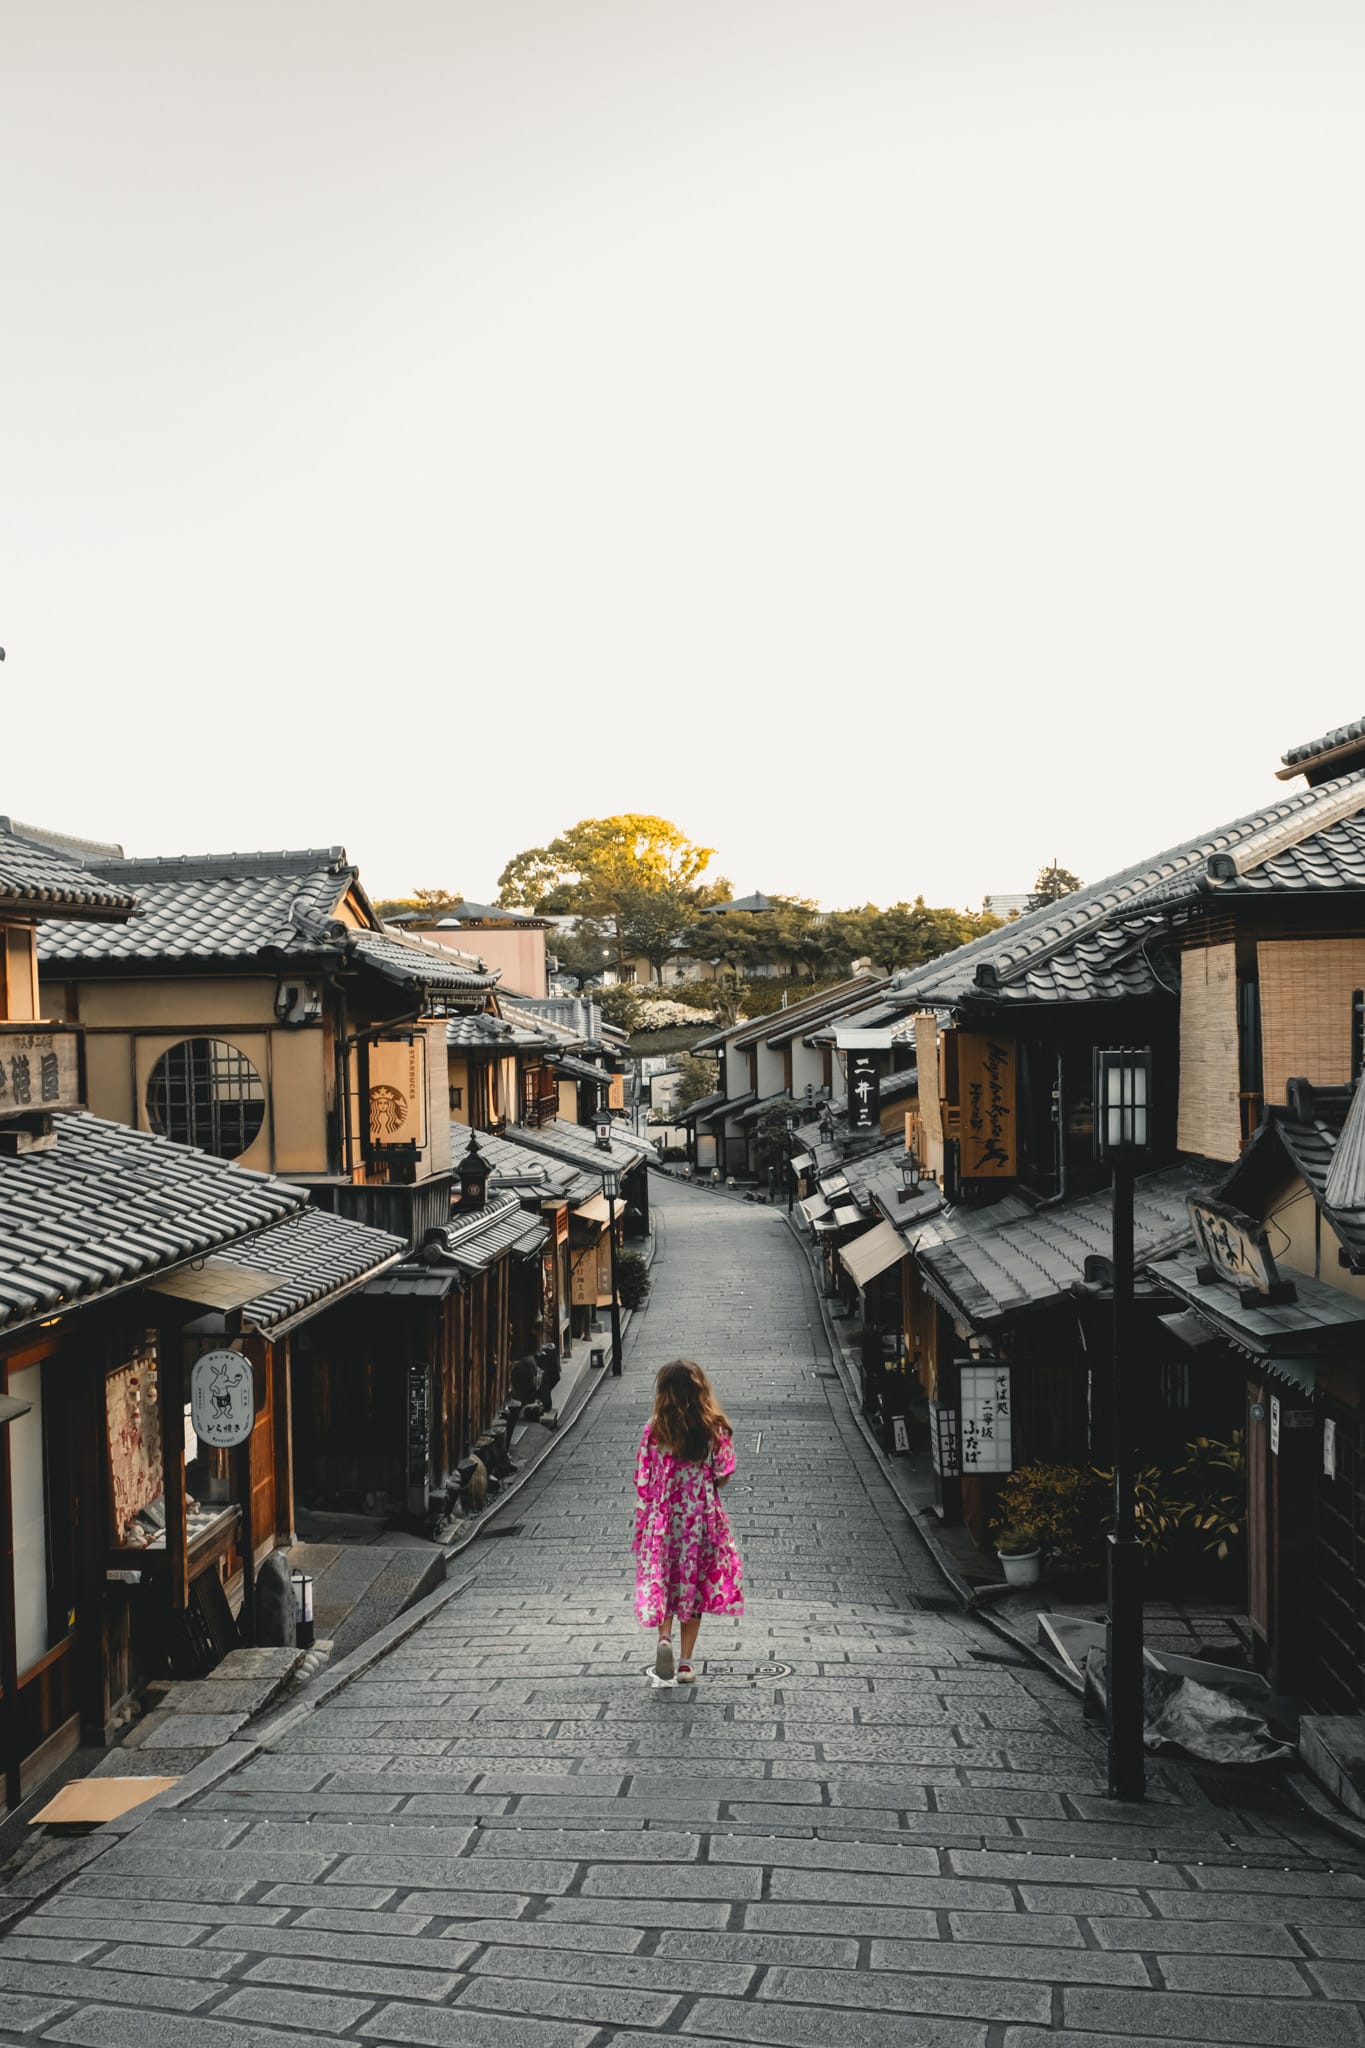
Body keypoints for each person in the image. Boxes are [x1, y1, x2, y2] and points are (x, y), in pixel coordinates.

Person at [633, 1359, 744, 1683]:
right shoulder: (713, 1428)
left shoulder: (654, 1430)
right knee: (692, 1585)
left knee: (665, 1579)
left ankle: (663, 1637)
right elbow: (724, 1470)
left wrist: (643, 1524)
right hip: (699, 1519)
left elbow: (643, 1478)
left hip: (663, 1519)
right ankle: (685, 1663)